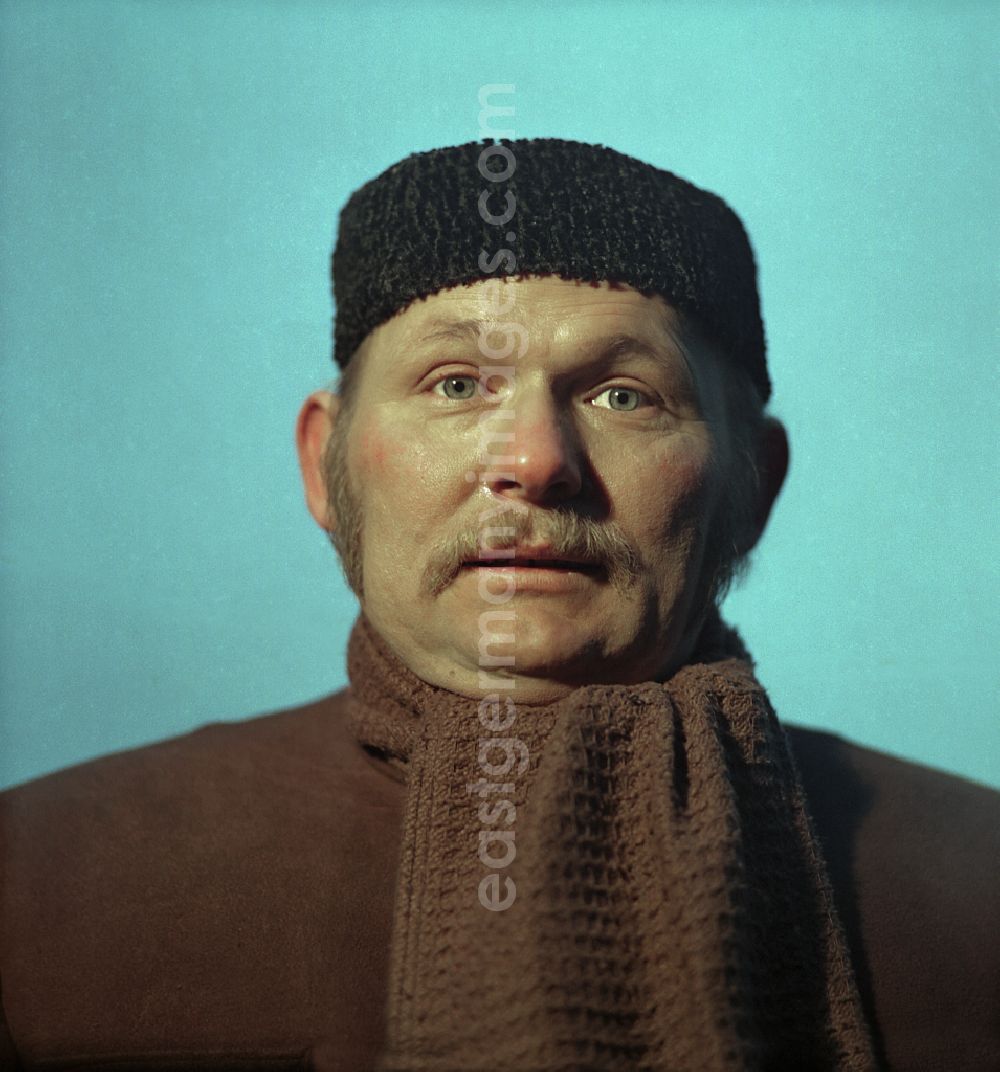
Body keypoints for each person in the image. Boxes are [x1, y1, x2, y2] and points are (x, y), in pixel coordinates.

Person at [1, 139, 997, 1072]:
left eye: (623, 395)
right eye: (457, 382)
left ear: (752, 485)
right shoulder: (38, 880)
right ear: (323, 463)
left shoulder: (977, 892)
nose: (533, 461)